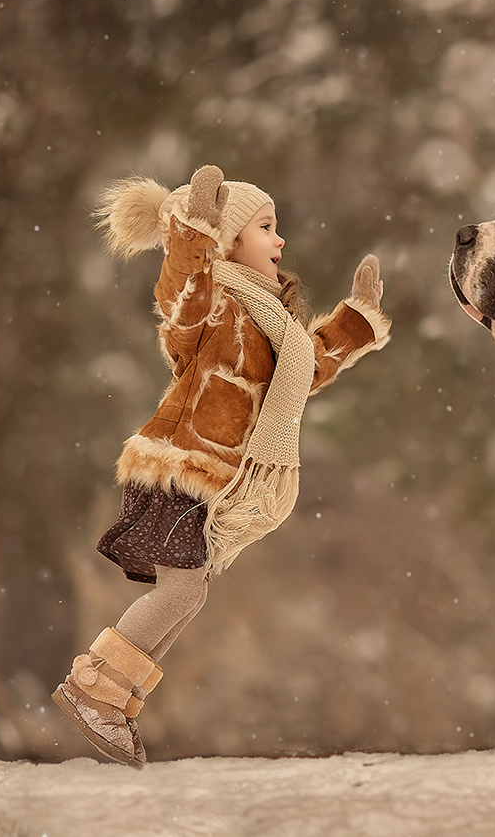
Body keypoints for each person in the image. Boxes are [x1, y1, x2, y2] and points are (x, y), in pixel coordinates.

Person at [52, 164, 390, 767]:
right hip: (180, 467)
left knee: (190, 592)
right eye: (266, 227)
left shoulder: (274, 326)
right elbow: (179, 300)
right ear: (231, 240)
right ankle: (94, 688)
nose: (280, 241)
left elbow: (306, 369)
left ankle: (117, 697)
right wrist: (193, 235)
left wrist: (356, 319)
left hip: (212, 480)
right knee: (183, 590)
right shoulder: (214, 310)